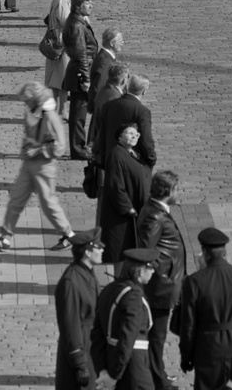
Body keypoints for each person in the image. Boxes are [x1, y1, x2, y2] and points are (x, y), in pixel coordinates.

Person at [0, 82, 86, 254]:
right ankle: (5, 237)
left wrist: (38, 150)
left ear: (36, 100)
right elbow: (28, 133)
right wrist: (26, 148)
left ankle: (68, 234)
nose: (25, 104)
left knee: (48, 203)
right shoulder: (31, 111)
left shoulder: (51, 117)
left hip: (44, 166)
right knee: (16, 199)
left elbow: (60, 147)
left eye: (27, 101)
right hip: (29, 164)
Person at [177, 228, 232, 390]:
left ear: (204, 253)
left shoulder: (194, 282)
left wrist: (186, 356)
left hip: (208, 349)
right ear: (224, 252)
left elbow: (188, 325)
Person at [135, 170, 186, 390]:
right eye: (177, 188)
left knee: (158, 335)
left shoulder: (157, 209)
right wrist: (161, 275)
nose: (178, 192)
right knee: (157, 336)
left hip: (164, 284)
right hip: (160, 288)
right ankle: (158, 379)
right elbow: (146, 252)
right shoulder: (154, 216)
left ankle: (157, 373)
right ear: (168, 191)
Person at [92, 247, 160, 390]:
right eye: (151, 266)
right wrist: (114, 376)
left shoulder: (109, 289)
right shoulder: (133, 296)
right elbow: (127, 338)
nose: (154, 270)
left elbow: (97, 334)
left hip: (111, 360)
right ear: (140, 270)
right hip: (133, 367)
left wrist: (102, 370)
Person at [54, 228, 103, 390]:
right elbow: (70, 324)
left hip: (90, 347)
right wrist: (79, 363)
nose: (102, 249)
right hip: (80, 350)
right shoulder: (71, 282)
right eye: (98, 247)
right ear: (88, 253)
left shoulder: (87, 273)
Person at [101, 123, 150, 271]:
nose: (134, 136)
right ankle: (119, 282)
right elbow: (115, 186)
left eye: (136, 134)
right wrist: (128, 208)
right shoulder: (117, 154)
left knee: (128, 250)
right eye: (130, 133)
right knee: (120, 251)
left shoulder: (131, 153)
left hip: (132, 211)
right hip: (121, 216)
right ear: (119, 136)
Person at [63, 0, 99, 161]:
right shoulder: (76, 26)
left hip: (82, 70)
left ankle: (80, 145)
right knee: (78, 114)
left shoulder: (79, 21)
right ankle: (77, 149)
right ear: (78, 6)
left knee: (80, 113)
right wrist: (85, 79)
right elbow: (81, 54)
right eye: (87, 3)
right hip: (80, 73)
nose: (91, 5)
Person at [96, 74, 156, 171]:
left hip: (111, 158)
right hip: (132, 162)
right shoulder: (142, 111)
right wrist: (151, 158)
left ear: (128, 87)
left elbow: (102, 134)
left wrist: (103, 158)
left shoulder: (109, 105)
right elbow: (146, 139)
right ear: (144, 91)